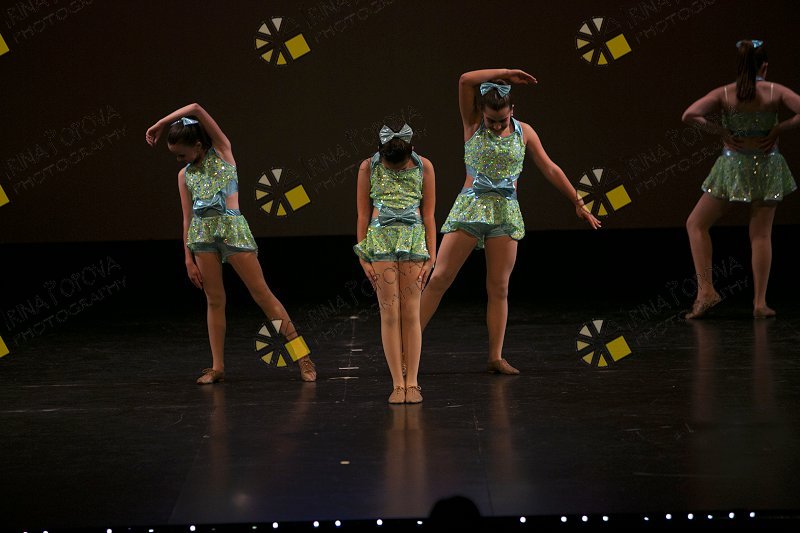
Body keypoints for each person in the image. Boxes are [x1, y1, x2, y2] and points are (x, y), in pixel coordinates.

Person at [419, 68, 601, 375]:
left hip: (505, 213)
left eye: (501, 120)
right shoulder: (472, 124)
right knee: (440, 279)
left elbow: (550, 168)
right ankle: (407, 346)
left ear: (512, 110)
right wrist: (507, 73)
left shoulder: (524, 132)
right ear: (481, 112)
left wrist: (577, 201)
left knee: (499, 288)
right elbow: (465, 80)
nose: (496, 125)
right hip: (471, 208)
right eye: (491, 120)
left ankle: (495, 356)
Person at [145, 103, 317, 383]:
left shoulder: (223, 153)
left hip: (232, 232)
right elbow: (187, 219)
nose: (179, 160)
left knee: (262, 295)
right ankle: (217, 367)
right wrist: (187, 258)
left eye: (181, 154)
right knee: (214, 300)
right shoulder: (184, 176)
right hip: (202, 238)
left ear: (198, 145)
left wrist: (161, 123)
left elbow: (196, 108)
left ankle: (302, 356)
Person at [682, 40, 798, 319]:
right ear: (764, 67)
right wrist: (779, 128)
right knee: (760, 234)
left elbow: (689, 115)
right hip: (767, 166)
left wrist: (721, 131)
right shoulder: (774, 91)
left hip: (733, 167)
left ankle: (706, 291)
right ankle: (759, 303)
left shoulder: (725, 93)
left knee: (696, 224)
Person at [354, 123, 436, 403]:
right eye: (392, 168)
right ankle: (397, 383)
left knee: (411, 313)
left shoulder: (424, 166)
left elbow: (429, 214)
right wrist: (362, 254)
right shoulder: (368, 167)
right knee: (389, 313)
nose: (397, 171)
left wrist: (432, 255)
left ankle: (412, 381)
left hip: (413, 240)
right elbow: (362, 214)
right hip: (380, 241)